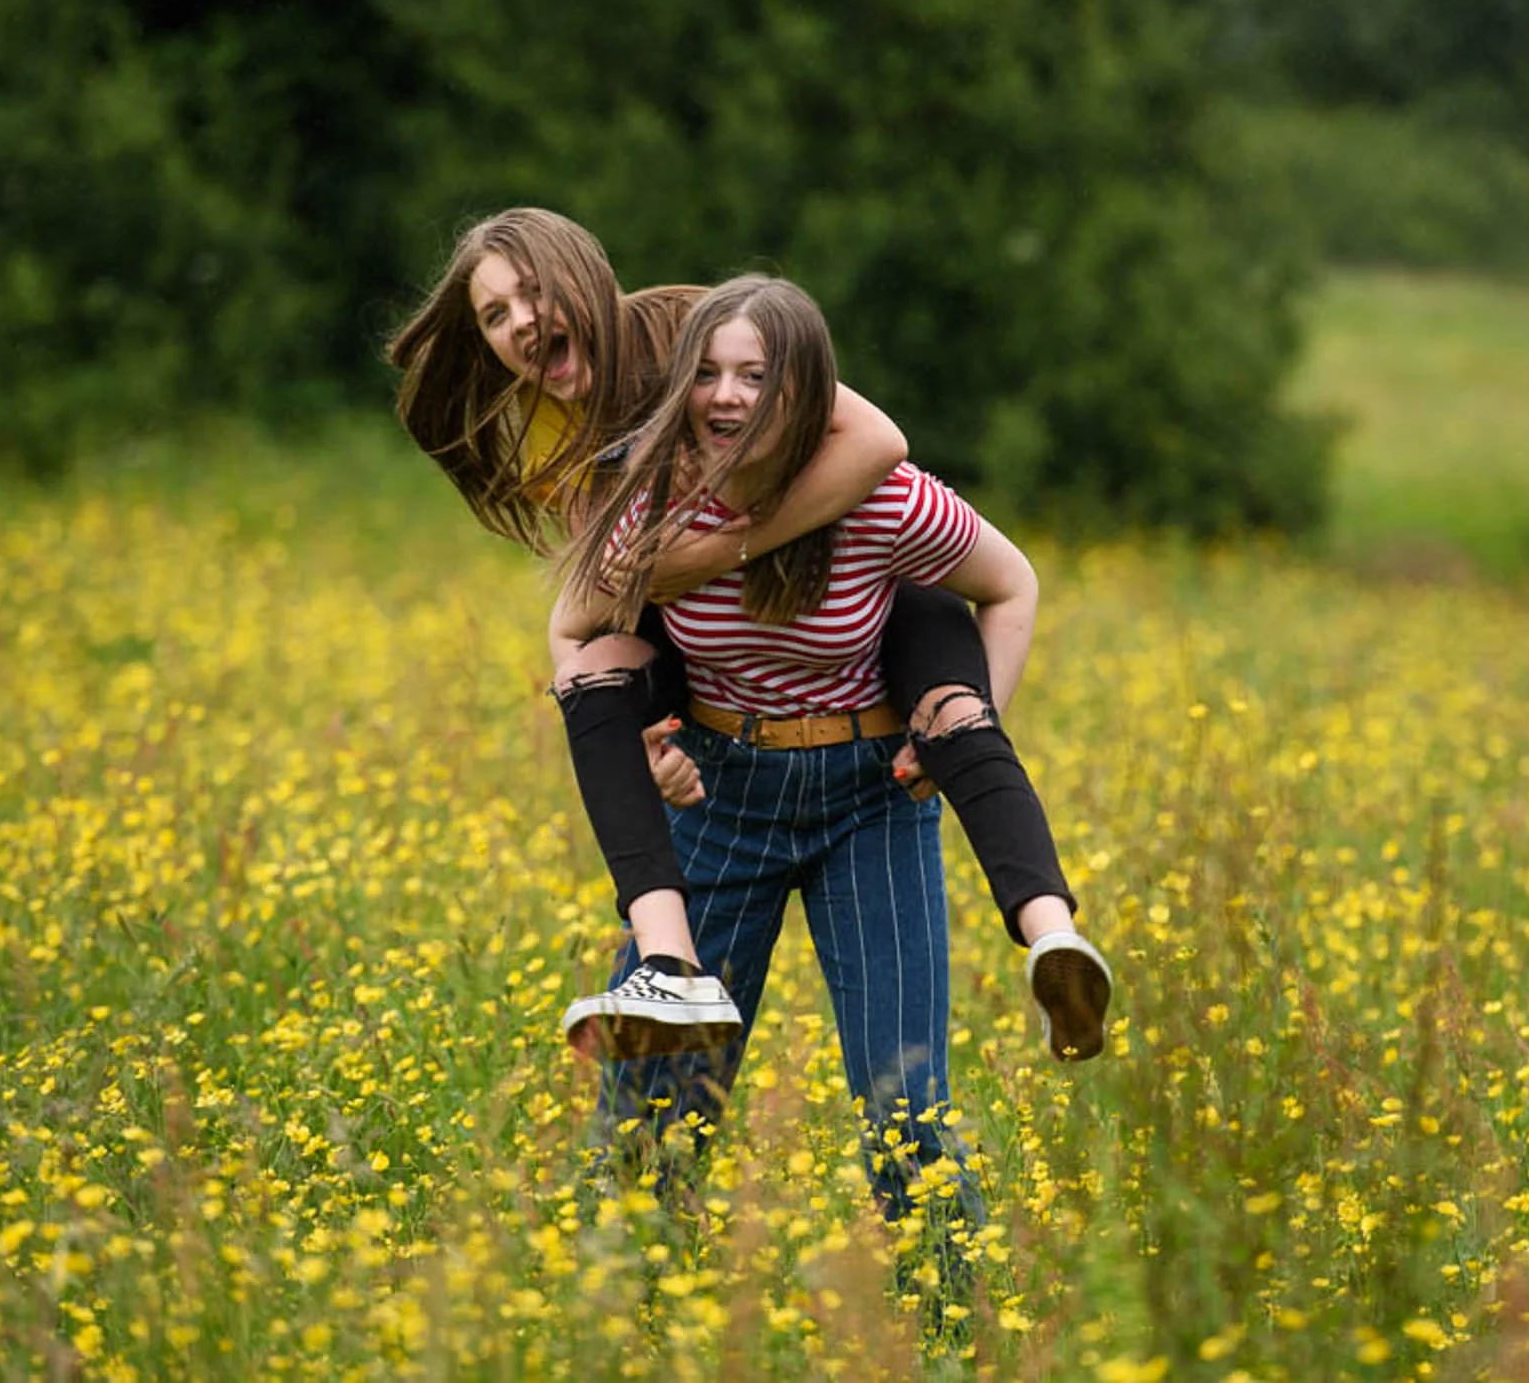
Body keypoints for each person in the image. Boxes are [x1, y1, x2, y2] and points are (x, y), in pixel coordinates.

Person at [385, 209, 1110, 1062]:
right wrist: (646, 728)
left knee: (952, 692)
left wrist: (718, 547)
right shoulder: (556, 420)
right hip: (720, 664)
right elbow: (600, 601)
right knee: (591, 668)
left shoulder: (692, 335)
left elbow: (878, 440)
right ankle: (666, 963)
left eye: (533, 294)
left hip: (852, 581)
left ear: (586, 277)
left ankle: (1051, 931)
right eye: (494, 315)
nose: (519, 324)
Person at [552, 272, 1031, 1256]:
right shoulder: (654, 499)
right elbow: (598, 637)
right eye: (710, 374)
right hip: (720, 791)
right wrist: (648, 738)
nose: (728, 395)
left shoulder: (881, 497)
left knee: (907, 1102)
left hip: (870, 800)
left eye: (756, 376)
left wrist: (957, 740)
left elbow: (1009, 582)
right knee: (655, 1101)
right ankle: (622, 1321)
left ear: (804, 393)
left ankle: (952, 1330)